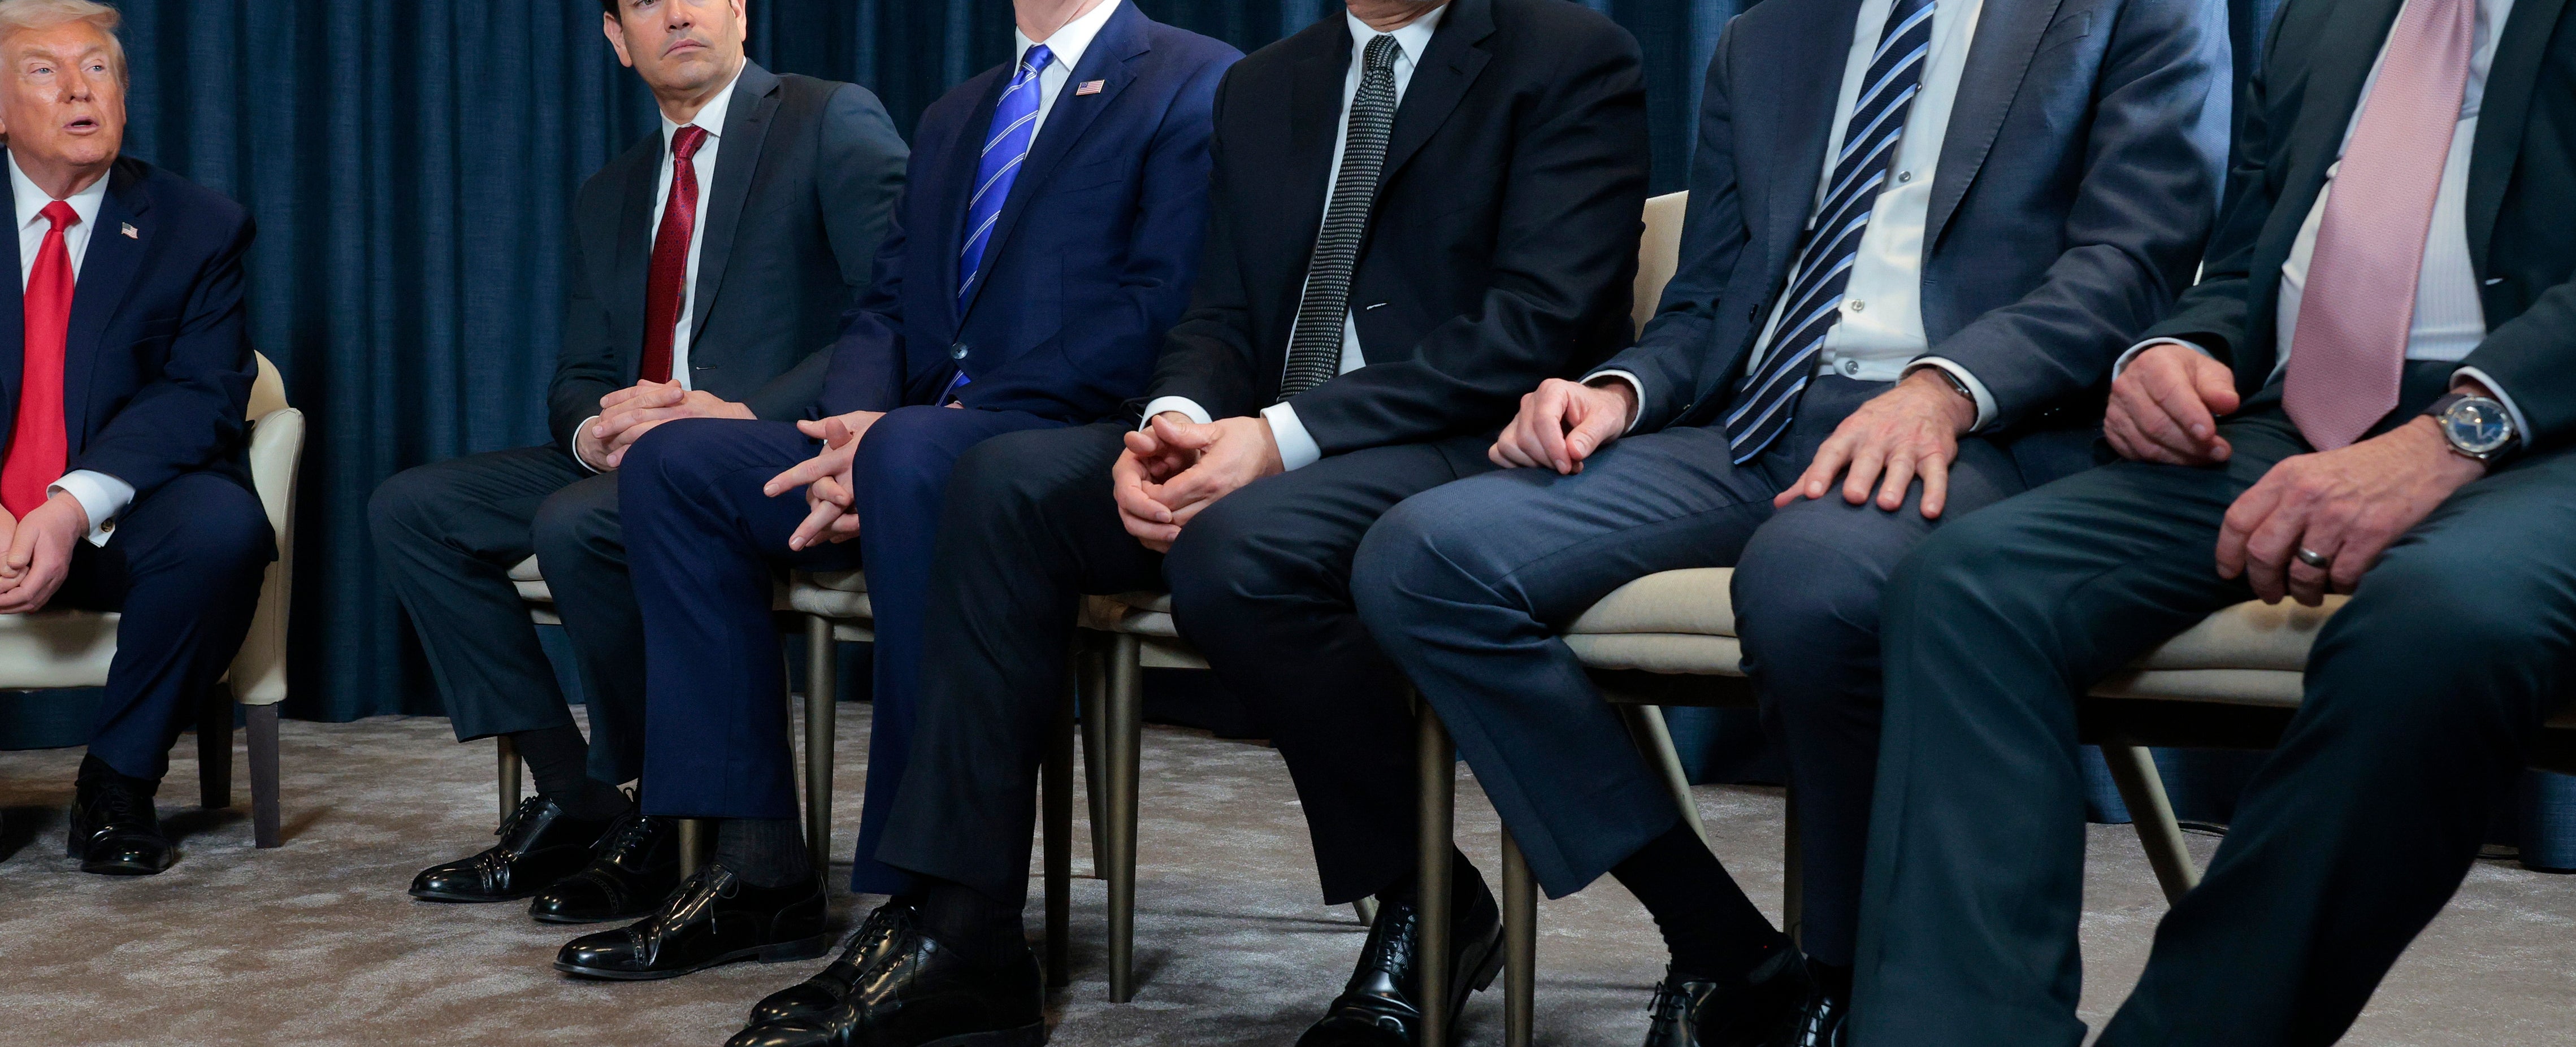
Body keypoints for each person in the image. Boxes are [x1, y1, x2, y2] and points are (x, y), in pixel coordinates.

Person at [728, 2, 1651, 1045]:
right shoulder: (1265, 82)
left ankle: (1421, 896)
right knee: (1002, 486)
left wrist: (1281, 435)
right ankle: (966, 930)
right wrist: (1173, 424)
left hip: (1462, 443)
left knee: (1234, 552)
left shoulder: (1569, 54)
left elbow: (1541, 319)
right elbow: (1216, 308)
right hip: (1258, 438)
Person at [1348, 0, 2231, 1039]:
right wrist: (1617, 392)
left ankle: (1846, 978)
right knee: (1422, 557)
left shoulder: (2130, 10)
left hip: (1983, 426)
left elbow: (2131, 260)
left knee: (1811, 582)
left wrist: (1944, 384)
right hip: (1754, 422)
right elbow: (1709, 296)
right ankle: (1725, 943)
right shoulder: (1764, 34)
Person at [1853, 0, 2576, 1042]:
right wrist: (2174, 351)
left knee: (2438, 622)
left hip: (2541, 432)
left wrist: (2451, 432)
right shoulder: (2319, 17)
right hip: (2301, 412)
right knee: (1967, 586)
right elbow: (2246, 261)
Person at [548, 0, 1239, 997]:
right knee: (680, 464)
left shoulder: (1192, 76)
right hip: (906, 436)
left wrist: (899, 437)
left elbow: (1168, 303)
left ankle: (936, 905)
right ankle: (755, 870)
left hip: (1082, 440)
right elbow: (883, 301)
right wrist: (849, 427)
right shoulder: (963, 109)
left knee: (918, 454)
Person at [368, 0, 905, 923]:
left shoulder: (827, 117)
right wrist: (595, 431)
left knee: (578, 520)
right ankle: (583, 798)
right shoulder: (613, 188)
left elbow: (895, 307)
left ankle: (674, 816)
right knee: (415, 508)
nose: (681, 14)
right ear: (619, 42)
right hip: (645, 454)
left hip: (784, 447)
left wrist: (742, 411)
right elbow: (579, 372)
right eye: (650, 4)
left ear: (740, 11)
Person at [0, 0, 272, 876]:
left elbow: (203, 395)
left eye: (99, 69)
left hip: (118, 517)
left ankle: (116, 783)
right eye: (45, 70)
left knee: (221, 526)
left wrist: (70, 506)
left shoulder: (197, 226)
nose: (80, 90)